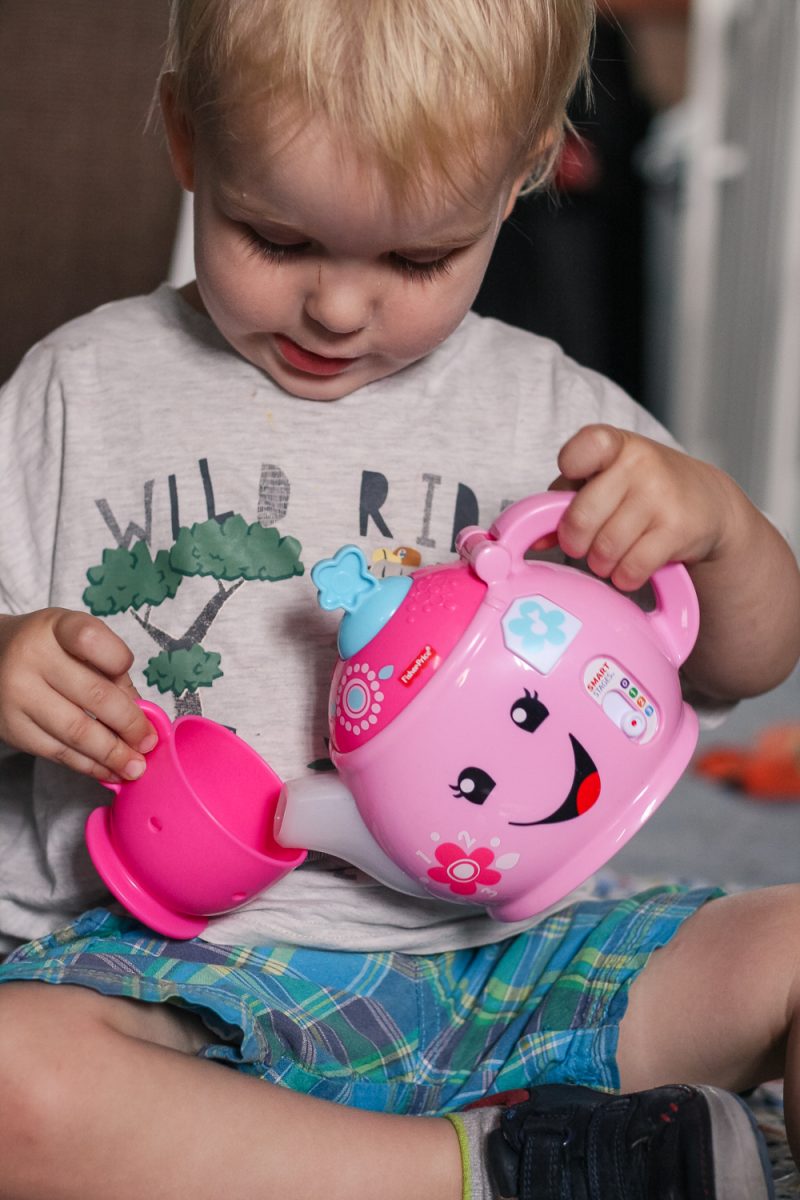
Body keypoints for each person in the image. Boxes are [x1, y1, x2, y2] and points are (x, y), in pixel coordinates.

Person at [0, 2, 798, 1197]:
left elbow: (746, 664)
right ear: (186, 139)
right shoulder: (76, 392)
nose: (334, 307)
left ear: (524, 170)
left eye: (416, 259)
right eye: (273, 236)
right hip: (179, 989)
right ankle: (490, 1169)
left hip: (510, 962)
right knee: (16, 1084)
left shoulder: (555, 415)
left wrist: (725, 535)